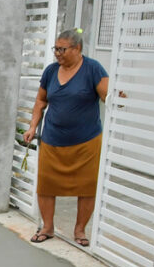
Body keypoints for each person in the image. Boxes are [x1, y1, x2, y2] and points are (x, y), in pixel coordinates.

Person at [24, 28, 109, 247]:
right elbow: (41, 101)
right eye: (56, 49)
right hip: (53, 139)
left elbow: (107, 94)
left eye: (62, 49)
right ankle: (47, 227)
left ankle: (80, 230)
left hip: (86, 141)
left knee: (86, 187)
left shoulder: (92, 69)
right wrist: (33, 126)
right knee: (46, 184)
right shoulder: (51, 71)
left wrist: (119, 95)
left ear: (77, 48)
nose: (57, 54)